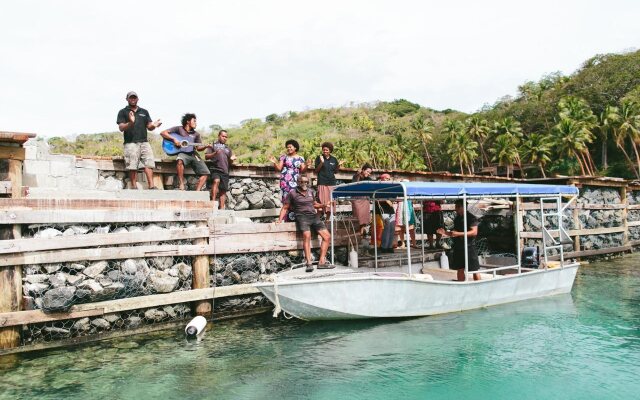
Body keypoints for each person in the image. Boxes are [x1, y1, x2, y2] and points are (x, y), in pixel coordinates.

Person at [277, 176, 333, 273]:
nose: (305, 184)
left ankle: (321, 262)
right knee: (307, 236)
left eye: (306, 182)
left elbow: (314, 204)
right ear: (298, 182)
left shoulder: (311, 191)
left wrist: (324, 205)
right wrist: (279, 220)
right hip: (302, 217)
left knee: (327, 236)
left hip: (313, 217)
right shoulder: (292, 193)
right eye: (302, 182)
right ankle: (309, 263)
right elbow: (285, 207)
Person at [116, 91, 162, 189]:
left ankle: (152, 186)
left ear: (137, 99)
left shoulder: (144, 111)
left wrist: (154, 125)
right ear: (127, 99)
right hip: (130, 143)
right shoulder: (123, 112)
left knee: (149, 163)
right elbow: (121, 127)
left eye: (134, 98)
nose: (133, 99)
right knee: (132, 165)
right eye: (131, 98)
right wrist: (130, 123)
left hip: (144, 142)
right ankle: (134, 186)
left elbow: (149, 126)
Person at [159, 113, 210, 191]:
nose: (196, 123)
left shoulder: (196, 134)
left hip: (193, 154)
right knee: (180, 160)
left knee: (206, 173)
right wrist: (174, 139)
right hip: (183, 153)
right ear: (188, 121)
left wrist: (206, 146)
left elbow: (198, 148)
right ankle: (181, 184)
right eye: (194, 121)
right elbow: (163, 133)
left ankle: (197, 191)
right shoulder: (178, 129)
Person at [438, 199, 481, 281]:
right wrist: (445, 232)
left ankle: (480, 287)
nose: (456, 209)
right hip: (458, 247)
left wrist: (459, 234)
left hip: (469, 247)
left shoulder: (471, 218)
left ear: (463, 207)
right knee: (459, 269)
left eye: (457, 207)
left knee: (475, 270)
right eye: (455, 207)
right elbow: (455, 233)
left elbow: (474, 232)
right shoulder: (457, 218)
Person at [269, 139, 306, 221]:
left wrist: (307, 165)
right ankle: (287, 220)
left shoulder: (300, 158)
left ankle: (297, 219)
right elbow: (279, 168)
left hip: (296, 181)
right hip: (285, 182)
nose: (288, 149)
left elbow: (303, 170)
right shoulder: (283, 157)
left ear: (295, 148)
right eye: (287, 147)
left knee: (296, 199)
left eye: (290, 147)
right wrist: (274, 162)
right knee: (286, 200)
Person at [205, 129, 235, 209]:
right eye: (223, 136)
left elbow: (230, 163)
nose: (225, 138)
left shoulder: (228, 149)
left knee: (223, 190)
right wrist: (215, 153)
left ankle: (221, 208)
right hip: (215, 169)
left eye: (226, 137)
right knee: (216, 181)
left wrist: (232, 159)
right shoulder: (213, 145)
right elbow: (206, 156)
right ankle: (213, 203)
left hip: (225, 171)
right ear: (219, 136)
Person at [313, 142, 340, 216]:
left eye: (327, 150)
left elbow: (336, 171)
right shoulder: (319, 158)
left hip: (331, 183)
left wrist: (339, 165)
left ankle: (327, 222)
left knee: (331, 203)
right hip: (322, 182)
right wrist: (321, 162)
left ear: (330, 151)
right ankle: (318, 221)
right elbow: (316, 171)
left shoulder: (334, 159)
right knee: (321, 203)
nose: (325, 151)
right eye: (324, 150)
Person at [351, 163, 373, 236]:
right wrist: (358, 174)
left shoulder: (369, 179)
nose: (369, 174)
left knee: (364, 219)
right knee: (357, 217)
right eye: (367, 171)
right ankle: (357, 235)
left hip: (365, 199)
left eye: (370, 173)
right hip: (356, 199)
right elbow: (354, 184)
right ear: (363, 170)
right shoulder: (356, 176)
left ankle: (361, 234)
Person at [378, 173, 397, 253]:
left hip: (391, 210)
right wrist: (386, 199)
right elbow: (377, 198)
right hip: (383, 210)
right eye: (387, 178)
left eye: (389, 179)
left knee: (392, 228)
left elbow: (394, 198)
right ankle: (384, 246)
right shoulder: (379, 187)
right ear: (382, 179)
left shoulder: (391, 187)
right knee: (387, 226)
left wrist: (390, 199)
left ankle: (389, 246)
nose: (388, 180)